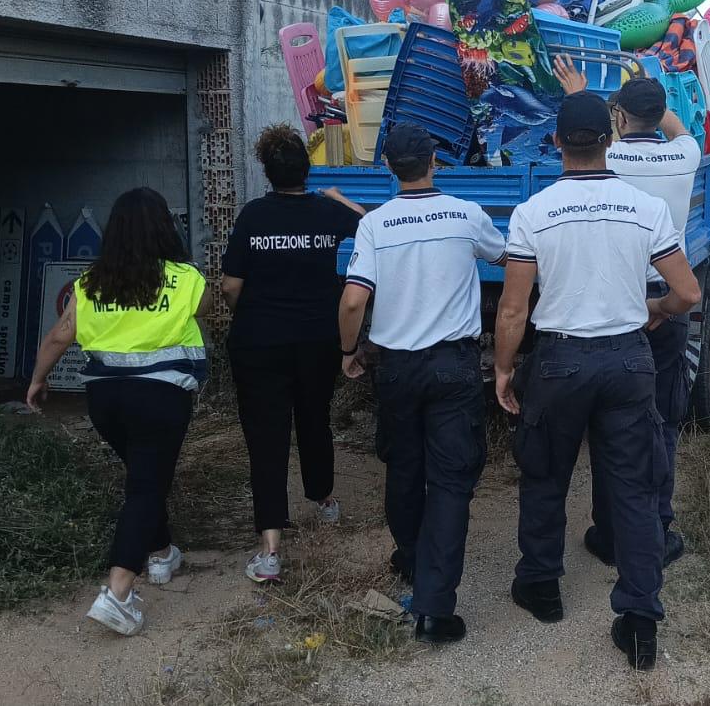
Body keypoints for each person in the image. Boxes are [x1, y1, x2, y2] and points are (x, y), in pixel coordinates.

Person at [493, 92, 703, 671]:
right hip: (629, 362)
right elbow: (688, 294)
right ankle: (639, 622)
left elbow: (512, 312)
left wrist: (505, 370)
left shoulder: (533, 213)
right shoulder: (644, 209)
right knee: (634, 489)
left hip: (559, 363)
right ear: (608, 140)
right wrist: (654, 309)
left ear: (557, 142)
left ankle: (540, 587)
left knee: (544, 476)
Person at [336, 122, 508, 645]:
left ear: (388, 168)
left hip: (399, 370)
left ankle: (410, 559)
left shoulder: (376, 225)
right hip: (454, 368)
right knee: (452, 480)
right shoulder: (465, 214)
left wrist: (348, 352)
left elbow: (352, 300)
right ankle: (436, 608)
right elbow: (503, 258)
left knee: (404, 468)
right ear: (436, 161)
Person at [27, 187, 209, 637]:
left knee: (145, 476)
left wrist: (37, 379)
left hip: (106, 400)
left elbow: (59, 335)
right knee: (146, 486)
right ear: (165, 228)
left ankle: (163, 553)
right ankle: (119, 591)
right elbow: (206, 312)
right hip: (161, 396)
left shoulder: (90, 282)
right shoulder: (185, 277)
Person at [555, 60, 699, 569]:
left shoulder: (610, 158)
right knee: (661, 416)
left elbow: (588, 142)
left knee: (610, 421)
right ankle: (658, 526)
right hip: (668, 299)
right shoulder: (685, 155)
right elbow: (678, 128)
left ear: (617, 118)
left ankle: (611, 529)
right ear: (659, 114)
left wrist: (579, 92)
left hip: (613, 301)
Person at [221, 124, 365, 584]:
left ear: (267, 171)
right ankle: (322, 499)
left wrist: (251, 313)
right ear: (306, 169)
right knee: (313, 417)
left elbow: (230, 285)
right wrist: (337, 197)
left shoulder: (252, 216)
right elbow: (367, 223)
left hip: (258, 342)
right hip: (316, 339)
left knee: (266, 436)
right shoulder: (327, 213)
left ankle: (270, 549)